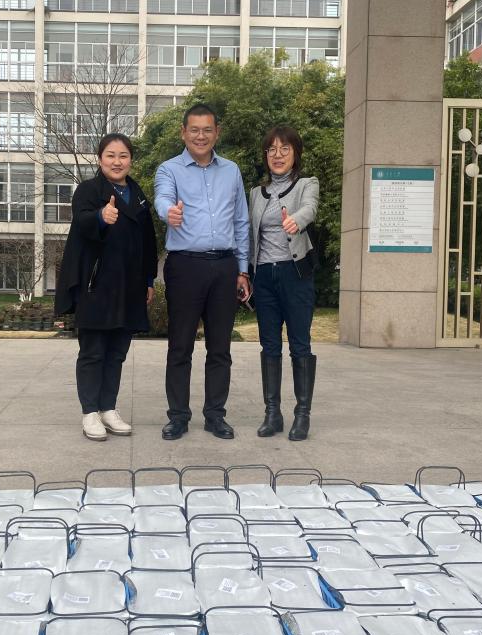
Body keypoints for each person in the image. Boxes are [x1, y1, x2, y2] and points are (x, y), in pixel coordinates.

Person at [154, 104, 250, 441]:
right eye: (194, 129)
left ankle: (215, 416)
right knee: (180, 346)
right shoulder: (169, 169)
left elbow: (241, 221)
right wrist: (169, 212)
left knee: (220, 348)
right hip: (185, 266)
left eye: (207, 130)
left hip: (224, 266)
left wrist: (242, 269)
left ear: (216, 133)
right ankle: (178, 416)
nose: (200, 136)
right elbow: (162, 198)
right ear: (183, 132)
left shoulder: (232, 171)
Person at [55, 133, 158, 441]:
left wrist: (149, 280)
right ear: (100, 159)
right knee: (93, 351)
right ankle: (90, 412)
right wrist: (101, 216)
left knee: (117, 353)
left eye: (123, 156)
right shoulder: (88, 190)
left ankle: (108, 408)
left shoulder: (138, 194)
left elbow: (149, 241)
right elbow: (81, 221)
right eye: (111, 155)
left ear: (131, 160)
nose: (117, 161)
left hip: (129, 286)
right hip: (96, 285)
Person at [248, 125, 319, 441]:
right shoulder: (256, 193)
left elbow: (310, 208)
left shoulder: (306, 183)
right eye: (272, 149)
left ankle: (302, 415)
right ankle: (272, 414)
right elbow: (249, 234)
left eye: (284, 149)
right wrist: (244, 272)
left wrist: (296, 221)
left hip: (295, 274)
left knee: (300, 344)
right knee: (270, 345)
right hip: (264, 275)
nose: (277, 155)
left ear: (295, 153)